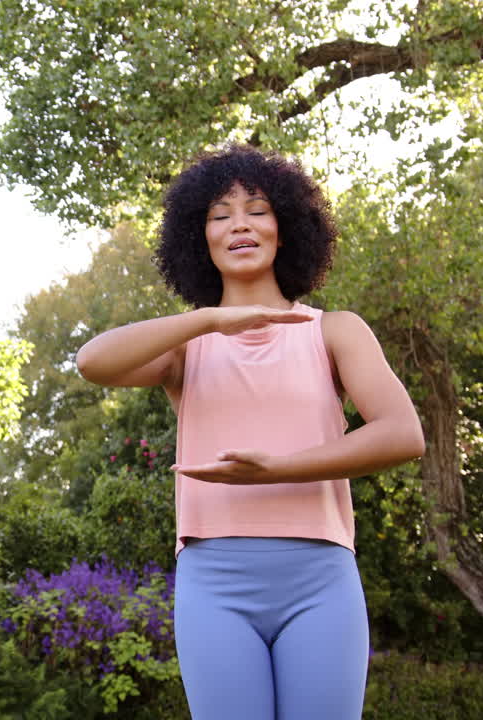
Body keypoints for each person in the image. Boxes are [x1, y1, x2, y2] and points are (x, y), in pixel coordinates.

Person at [75, 145, 424, 720]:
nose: (239, 223)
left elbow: (403, 434)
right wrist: (210, 317)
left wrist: (275, 470)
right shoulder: (186, 344)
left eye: (257, 209)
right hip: (213, 581)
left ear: (285, 231)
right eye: (220, 214)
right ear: (200, 239)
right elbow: (93, 362)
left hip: (319, 577)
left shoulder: (335, 331)